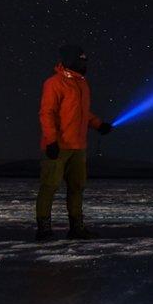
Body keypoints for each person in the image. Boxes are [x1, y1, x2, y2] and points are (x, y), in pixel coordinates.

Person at [36, 44, 113, 240]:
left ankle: (76, 228)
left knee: (77, 187)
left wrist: (98, 124)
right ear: (71, 60)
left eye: (85, 60)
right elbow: (47, 113)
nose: (85, 63)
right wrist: (51, 141)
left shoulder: (82, 84)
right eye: (81, 60)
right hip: (58, 146)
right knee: (49, 186)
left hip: (78, 147)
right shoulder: (54, 83)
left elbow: (82, 113)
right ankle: (44, 230)